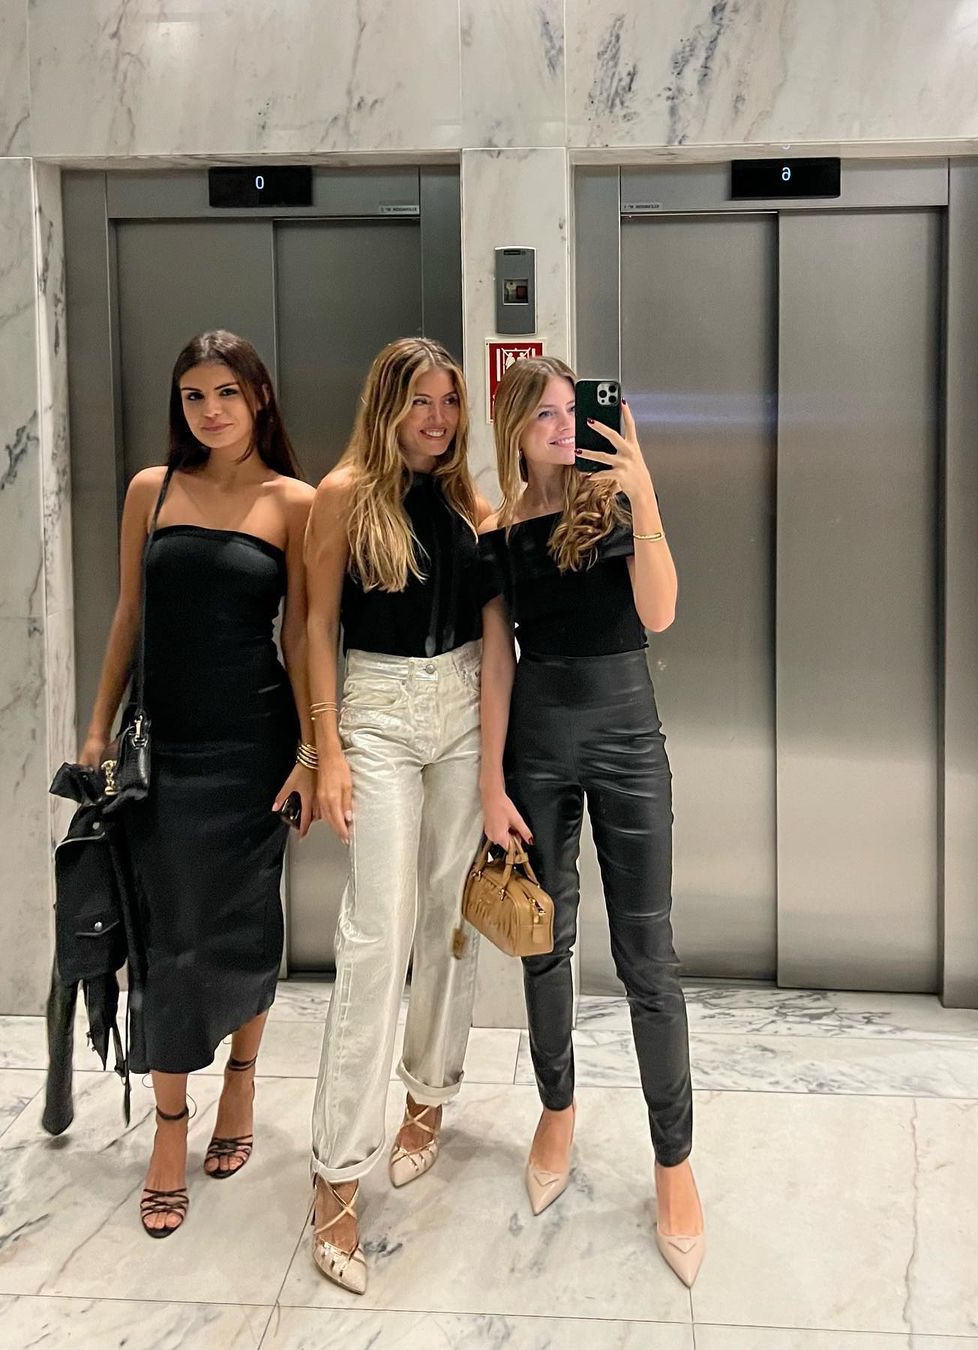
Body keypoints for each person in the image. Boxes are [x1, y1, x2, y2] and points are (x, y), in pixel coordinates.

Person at [78, 330, 316, 1237]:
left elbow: (303, 635)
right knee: (169, 935)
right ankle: (169, 1127)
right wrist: (97, 726)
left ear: (258, 398)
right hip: (165, 750)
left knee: (246, 923)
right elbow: (128, 614)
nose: (211, 411)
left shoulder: (293, 501)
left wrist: (311, 752)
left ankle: (242, 1084)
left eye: (226, 393)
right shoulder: (153, 489)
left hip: (255, 745)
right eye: (193, 396)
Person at [477, 356, 706, 1286]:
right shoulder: (497, 532)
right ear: (514, 429)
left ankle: (673, 1160)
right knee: (545, 941)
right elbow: (498, 661)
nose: (565, 426)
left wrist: (642, 489)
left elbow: (661, 611)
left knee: (649, 954)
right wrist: (489, 783)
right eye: (545, 415)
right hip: (536, 743)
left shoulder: (612, 504)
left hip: (626, 736)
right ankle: (557, 1109)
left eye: (574, 410)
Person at [305, 337, 490, 1294]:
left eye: (450, 401)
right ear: (387, 406)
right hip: (375, 709)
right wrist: (324, 749)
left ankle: (429, 1094)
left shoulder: (463, 496)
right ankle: (336, 1169)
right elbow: (313, 626)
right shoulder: (343, 494)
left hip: (462, 705)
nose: (438, 419)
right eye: (421, 401)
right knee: (376, 932)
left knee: (450, 914)